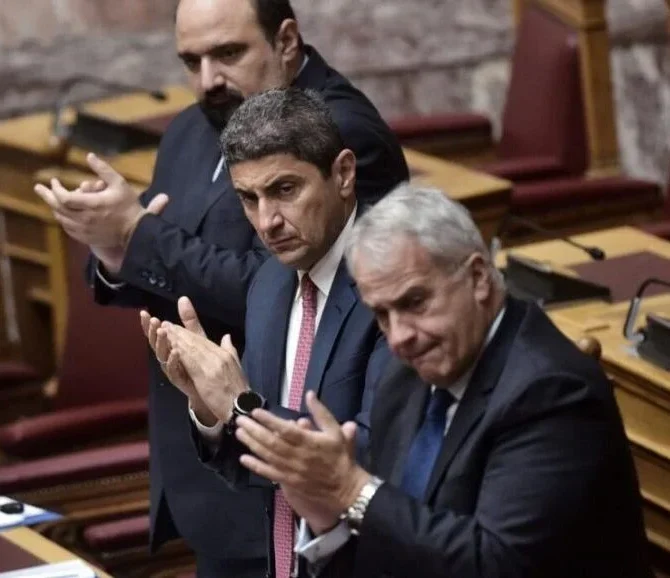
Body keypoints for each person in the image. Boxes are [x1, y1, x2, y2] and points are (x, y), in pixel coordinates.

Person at [33, 0, 408, 575]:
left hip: (307, 482)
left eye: (228, 53)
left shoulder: (339, 131)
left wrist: (137, 234)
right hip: (214, 461)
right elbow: (153, 258)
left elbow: (283, 285)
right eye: (192, 61)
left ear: (286, 41)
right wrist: (113, 245)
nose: (208, 79)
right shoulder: (193, 128)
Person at [230, 184, 654, 578]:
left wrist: (351, 489)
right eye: (382, 314)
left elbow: (496, 565)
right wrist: (329, 520)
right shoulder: (406, 376)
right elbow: (394, 539)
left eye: (415, 302)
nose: (399, 337)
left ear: (478, 278)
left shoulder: (551, 391)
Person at [143, 88, 391, 578]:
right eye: (248, 199)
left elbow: (372, 456)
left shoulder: (391, 287)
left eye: (285, 190)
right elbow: (257, 472)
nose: (267, 221)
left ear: (343, 174)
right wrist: (210, 409)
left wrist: (241, 408)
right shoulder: (270, 284)